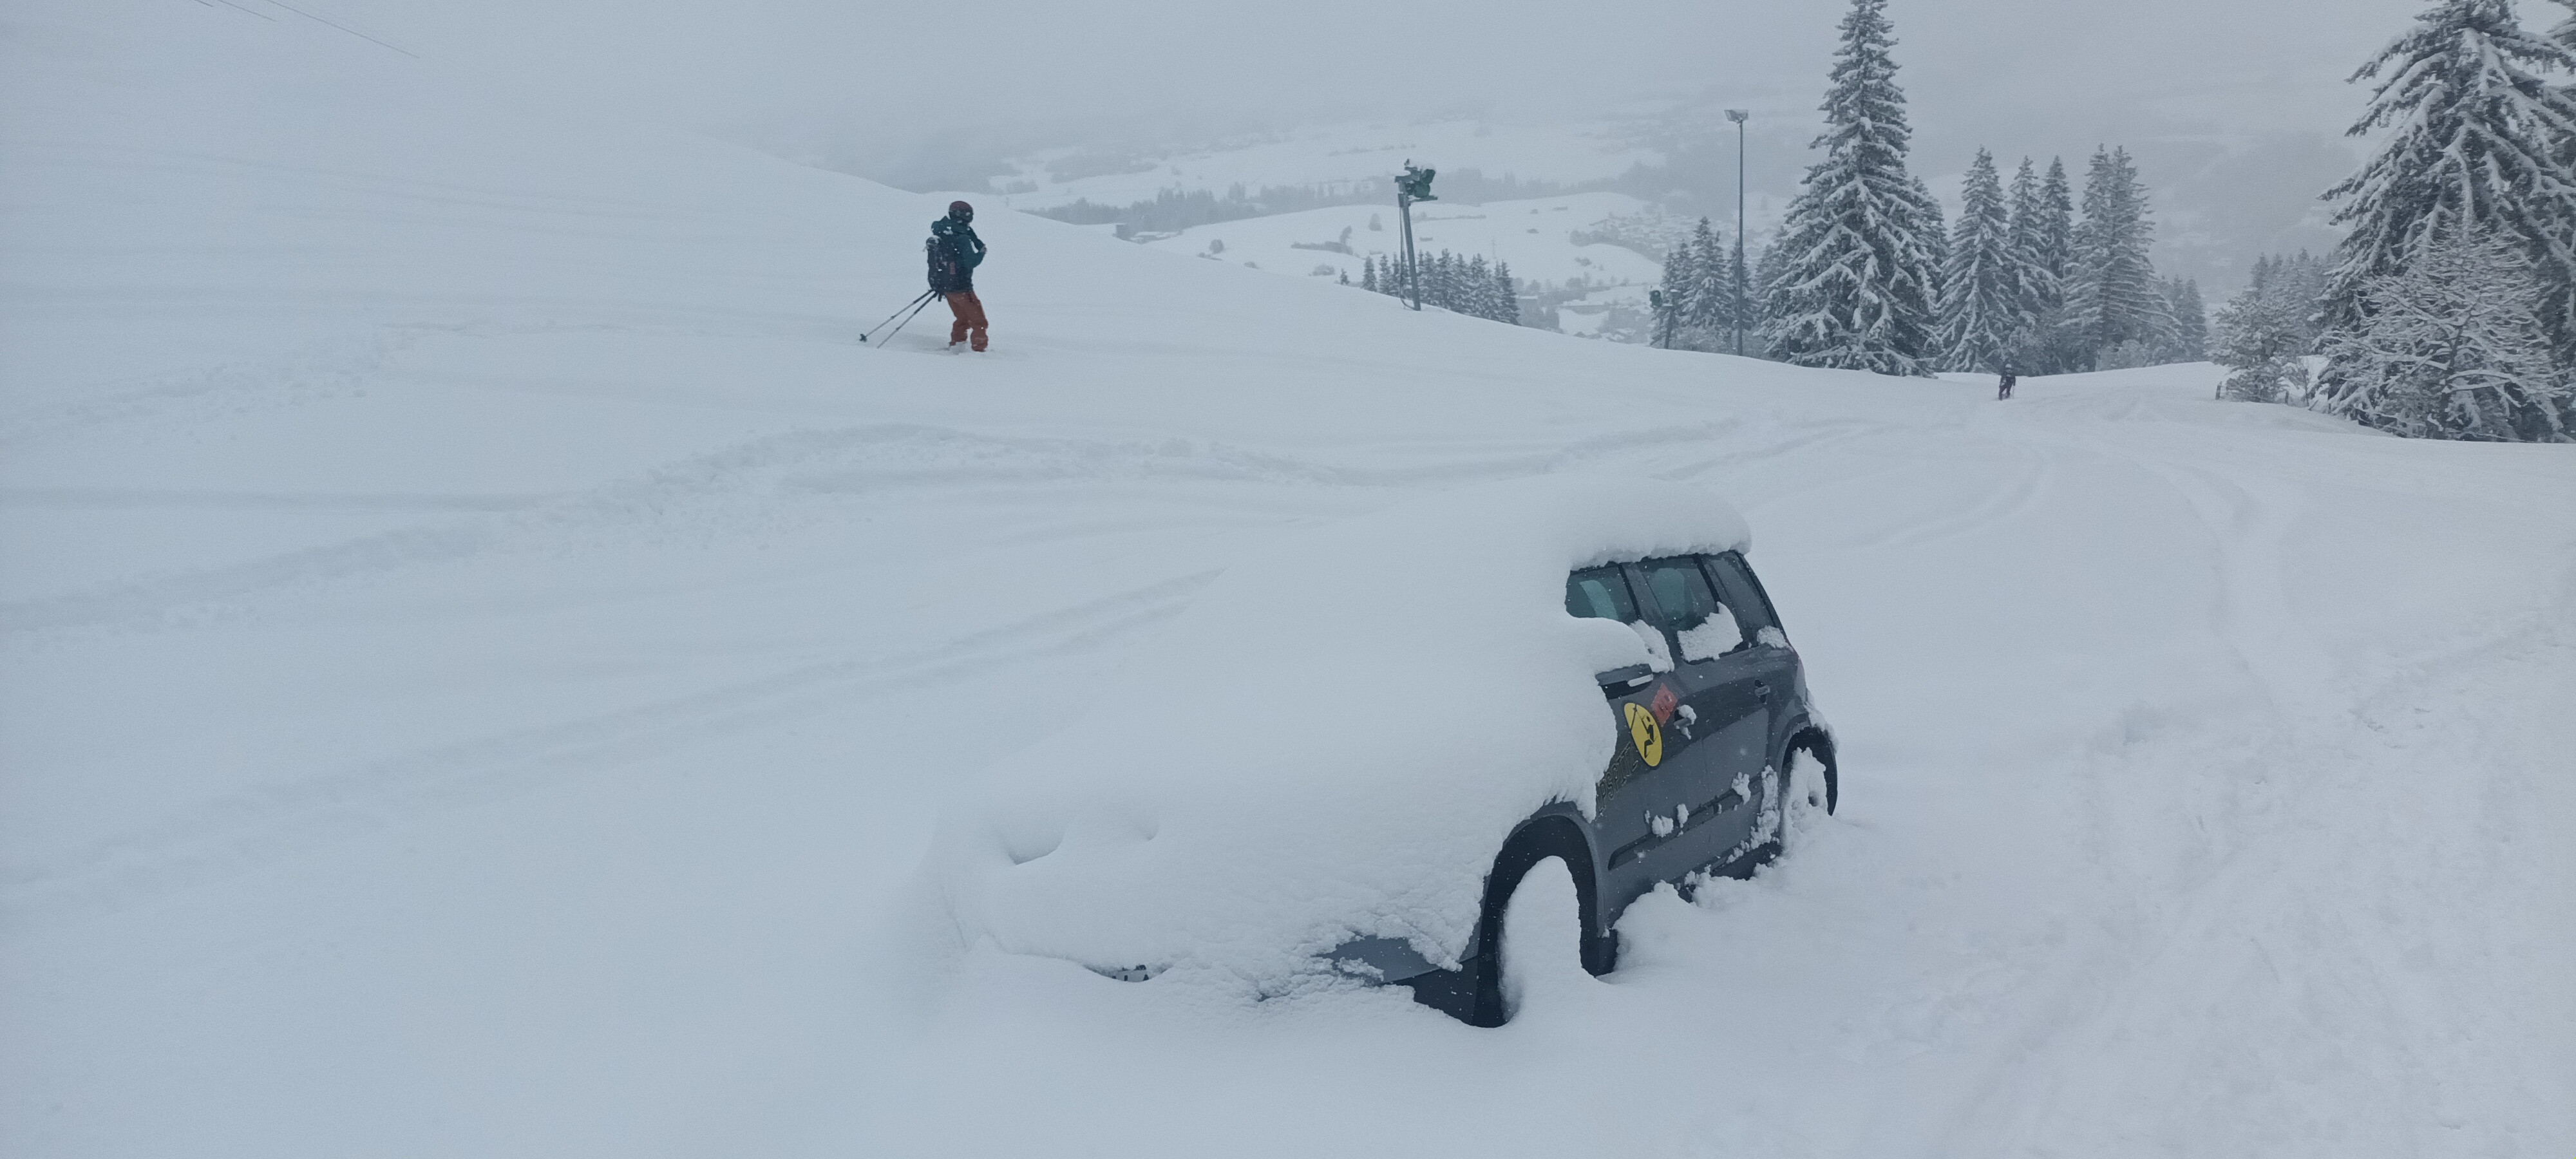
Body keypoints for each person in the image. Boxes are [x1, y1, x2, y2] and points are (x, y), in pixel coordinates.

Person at [929, 201, 989, 352]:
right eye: (968, 215)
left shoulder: (943, 231)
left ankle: (957, 345)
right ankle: (979, 351)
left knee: (962, 318)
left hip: (946, 286)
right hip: (962, 287)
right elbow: (971, 262)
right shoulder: (962, 238)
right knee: (979, 322)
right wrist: (981, 254)